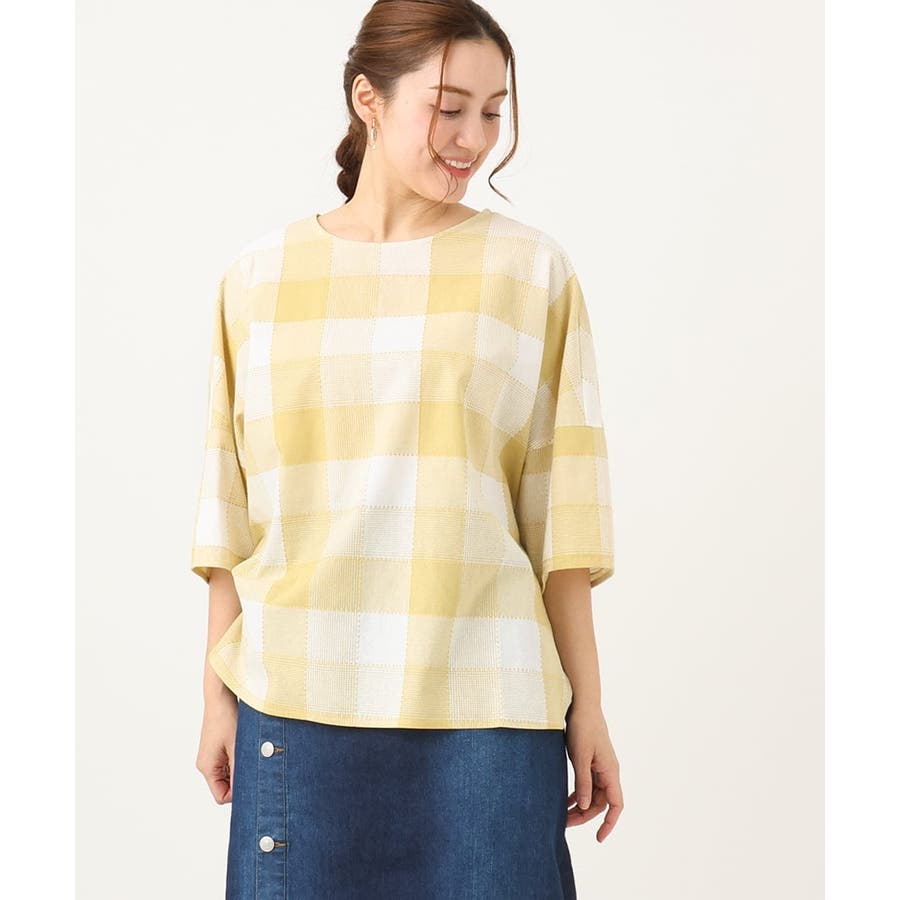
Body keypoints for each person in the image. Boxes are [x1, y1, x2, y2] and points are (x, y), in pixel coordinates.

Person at [192, 1, 623, 896]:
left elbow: (564, 520)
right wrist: (213, 698)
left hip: (488, 705)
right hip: (296, 696)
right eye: (449, 107)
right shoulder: (257, 279)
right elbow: (229, 517)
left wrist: (589, 707)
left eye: (493, 111)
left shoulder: (531, 272)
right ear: (369, 99)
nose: (475, 139)